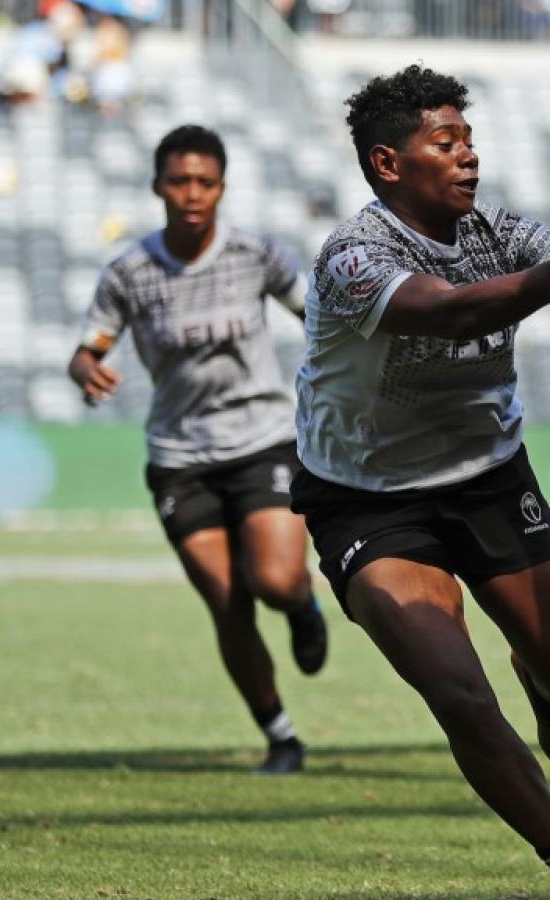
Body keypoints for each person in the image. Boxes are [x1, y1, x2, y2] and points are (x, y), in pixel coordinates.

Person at [287, 66, 550, 899]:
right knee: (459, 694)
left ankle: (548, 686)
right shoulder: (353, 257)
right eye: (448, 143)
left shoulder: (502, 229)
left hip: (486, 477)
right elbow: (452, 310)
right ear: (389, 163)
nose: (469, 158)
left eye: (470, 141)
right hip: (367, 501)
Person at [67, 124, 328, 775]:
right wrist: (84, 369)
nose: (192, 193)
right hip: (180, 457)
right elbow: (88, 347)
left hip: (262, 438)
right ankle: (281, 736)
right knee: (226, 600)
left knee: (272, 580)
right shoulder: (129, 273)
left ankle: (302, 602)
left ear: (221, 188)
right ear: (158, 186)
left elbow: (320, 316)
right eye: (179, 181)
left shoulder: (255, 254)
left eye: (204, 182)